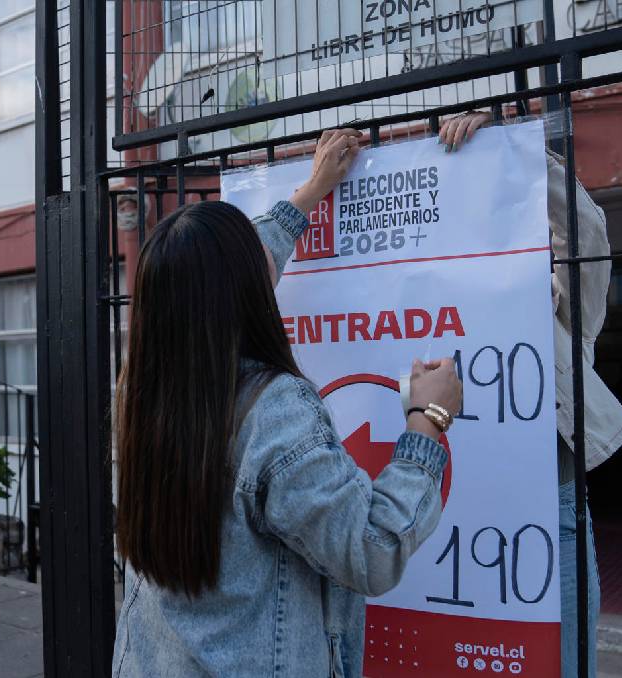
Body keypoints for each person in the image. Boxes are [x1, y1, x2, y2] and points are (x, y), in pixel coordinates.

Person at [112, 129, 464, 677]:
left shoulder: (139, 393)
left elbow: (226, 274)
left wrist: (307, 195)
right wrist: (429, 420)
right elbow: (371, 549)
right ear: (247, 290)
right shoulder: (273, 410)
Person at [439, 112, 622, 678]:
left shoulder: (559, 302)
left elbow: (587, 232)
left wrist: (514, 151)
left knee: (562, 663)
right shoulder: (426, 302)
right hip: (451, 511)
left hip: (550, 509)